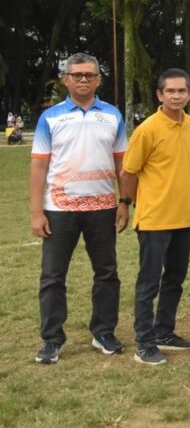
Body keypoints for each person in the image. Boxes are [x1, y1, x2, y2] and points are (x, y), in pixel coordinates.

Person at [29, 53, 128, 364]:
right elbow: (38, 168)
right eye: (77, 75)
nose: (83, 79)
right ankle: (52, 339)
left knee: (107, 273)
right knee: (53, 276)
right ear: (66, 80)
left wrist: (124, 201)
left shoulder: (112, 115)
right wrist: (36, 211)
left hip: (102, 207)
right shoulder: (50, 118)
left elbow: (122, 164)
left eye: (89, 75)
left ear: (98, 79)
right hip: (59, 209)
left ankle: (103, 332)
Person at [120, 68, 190, 365]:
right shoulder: (148, 129)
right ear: (159, 95)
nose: (176, 96)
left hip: (184, 218)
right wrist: (127, 203)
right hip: (154, 220)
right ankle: (144, 342)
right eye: (171, 91)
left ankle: (164, 331)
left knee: (175, 279)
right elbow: (128, 171)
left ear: (189, 94)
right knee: (148, 282)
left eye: (182, 91)